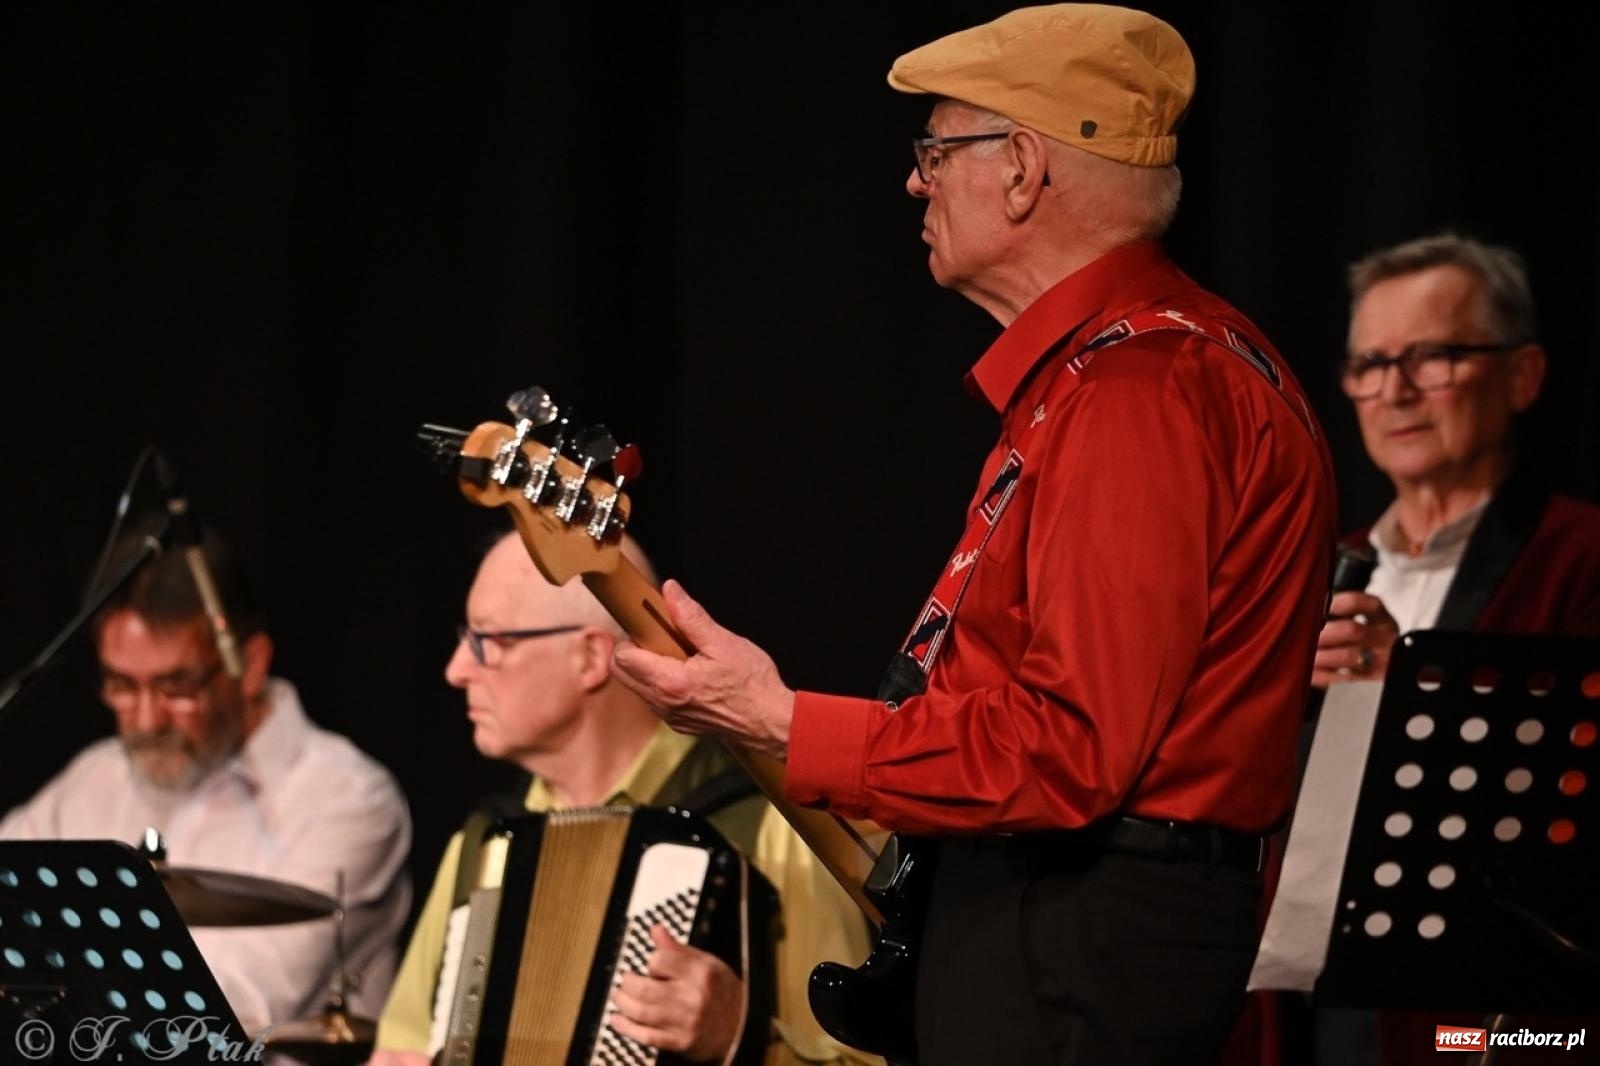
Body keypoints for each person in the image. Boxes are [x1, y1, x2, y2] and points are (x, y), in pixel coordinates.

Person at [608, 5, 1337, 1064]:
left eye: (937, 149)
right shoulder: (1124, 376)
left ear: (1025, 169)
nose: (915, 180)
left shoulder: (1139, 394)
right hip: (1066, 912)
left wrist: (780, 719)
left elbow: (1071, 748)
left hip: (1076, 920)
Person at [368, 531, 875, 1066]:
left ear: (589, 658)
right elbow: (400, 1052)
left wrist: (741, 1035)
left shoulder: (769, 825)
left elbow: (863, 1060)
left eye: (485, 641)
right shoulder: (485, 842)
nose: (455, 670)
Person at [1309, 234, 1600, 1064]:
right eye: (1370, 363)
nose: (1394, 391)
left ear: (1524, 374)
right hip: (1316, 996)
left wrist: (1406, 688)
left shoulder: (1579, 557)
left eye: (1432, 357)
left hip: (1503, 1019)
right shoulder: (1323, 567)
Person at [0, 521, 413, 1037]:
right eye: (123, 684)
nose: (147, 720)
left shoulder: (346, 800)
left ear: (251, 664)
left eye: (177, 686)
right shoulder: (94, 778)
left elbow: (237, 1006)